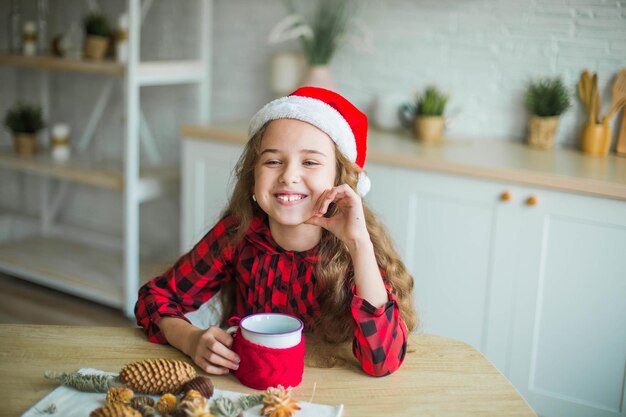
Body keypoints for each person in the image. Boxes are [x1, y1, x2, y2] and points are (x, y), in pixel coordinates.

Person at [135, 86, 417, 377]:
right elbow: (154, 299)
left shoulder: (355, 249)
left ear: (340, 177)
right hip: (251, 385)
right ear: (253, 175)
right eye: (272, 161)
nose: (288, 175)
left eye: (310, 162)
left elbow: (383, 361)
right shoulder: (238, 232)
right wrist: (190, 339)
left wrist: (359, 245)